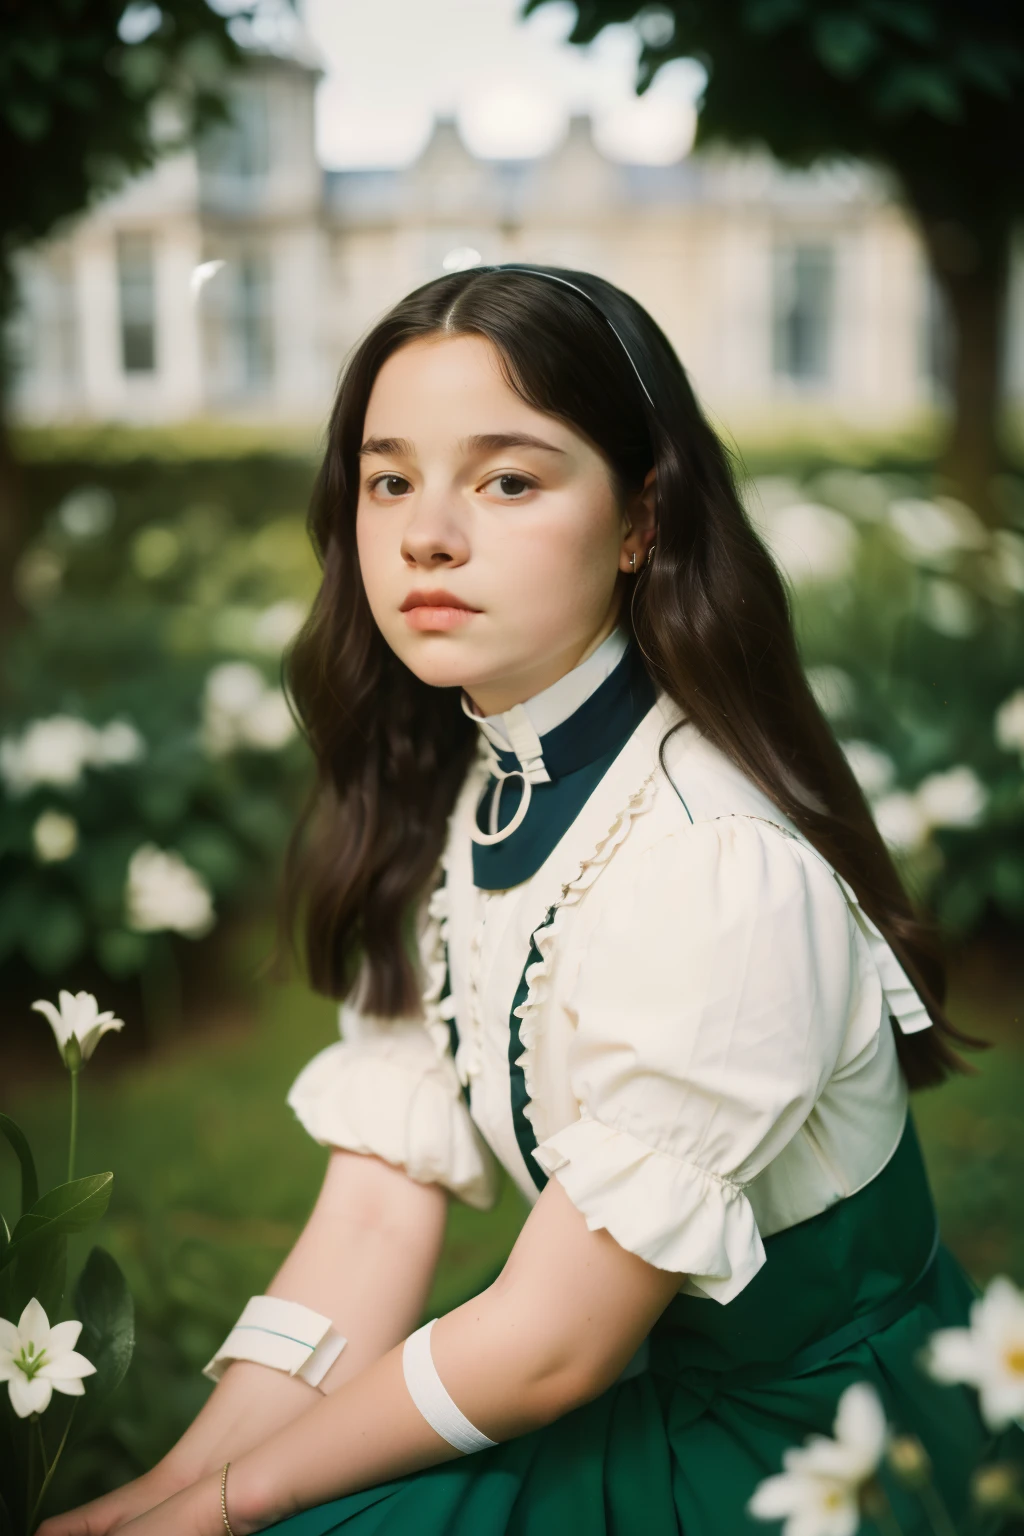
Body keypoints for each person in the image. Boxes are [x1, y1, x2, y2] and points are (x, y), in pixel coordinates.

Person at [40, 265, 1024, 1536]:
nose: (425, 533)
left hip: (814, 1455)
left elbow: (552, 1347)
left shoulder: (712, 865)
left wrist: (233, 1510)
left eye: (508, 479)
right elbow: (373, 1214)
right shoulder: (471, 782)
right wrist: (164, 1492)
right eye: (390, 479)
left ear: (640, 521)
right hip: (613, 1381)